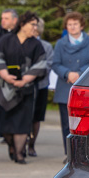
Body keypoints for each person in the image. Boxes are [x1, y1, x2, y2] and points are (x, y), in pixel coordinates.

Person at [0, 12, 48, 164]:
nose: (35, 28)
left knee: (23, 123)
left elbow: (41, 64)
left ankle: (19, 154)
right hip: (5, 88)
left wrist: (25, 80)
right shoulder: (6, 40)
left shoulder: (36, 44)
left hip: (27, 89)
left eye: (36, 25)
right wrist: (5, 75)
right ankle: (11, 146)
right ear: (22, 25)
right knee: (6, 125)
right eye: (32, 24)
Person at [52, 12, 89, 156]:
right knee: (67, 124)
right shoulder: (61, 43)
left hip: (85, 87)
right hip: (65, 87)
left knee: (86, 123)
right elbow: (55, 63)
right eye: (69, 24)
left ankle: (83, 154)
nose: (72, 27)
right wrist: (68, 74)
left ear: (82, 25)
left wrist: (79, 73)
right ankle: (69, 155)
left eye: (75, 24)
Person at [28, 18, 54, 157]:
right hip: (22, 87)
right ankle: (18, 146)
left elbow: (48, 64)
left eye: (36, 26)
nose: (34, 28)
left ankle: (31, 145)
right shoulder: (20, 43)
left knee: (36, 117)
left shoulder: (46, 46)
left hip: (41, 86)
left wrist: (33, 75)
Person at [0, 10, 18, 139]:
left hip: (17, 75)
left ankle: (14, 131)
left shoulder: (19, 33)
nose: (3, 21)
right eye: (2, 18)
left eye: (6, 18)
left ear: (14, 20)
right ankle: (3, 132)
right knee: (1, 103)